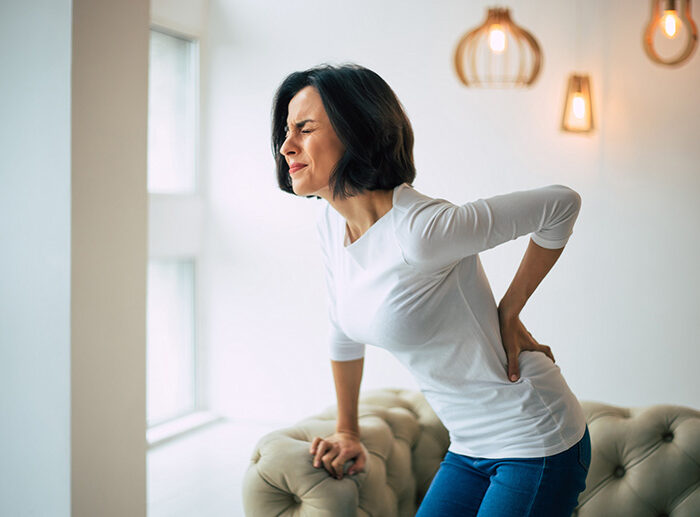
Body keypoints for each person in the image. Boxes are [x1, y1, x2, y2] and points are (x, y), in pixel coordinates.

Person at [271, 62, 591, 517]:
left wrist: (509, 310)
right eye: (286, 130)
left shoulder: (420, 230)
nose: (286, 146)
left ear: (356, 131)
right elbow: (342, 328)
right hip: (467, 446)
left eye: (304, 128)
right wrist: (348, 430)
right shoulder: (331, 222)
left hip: (535, 439)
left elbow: (561, 204)